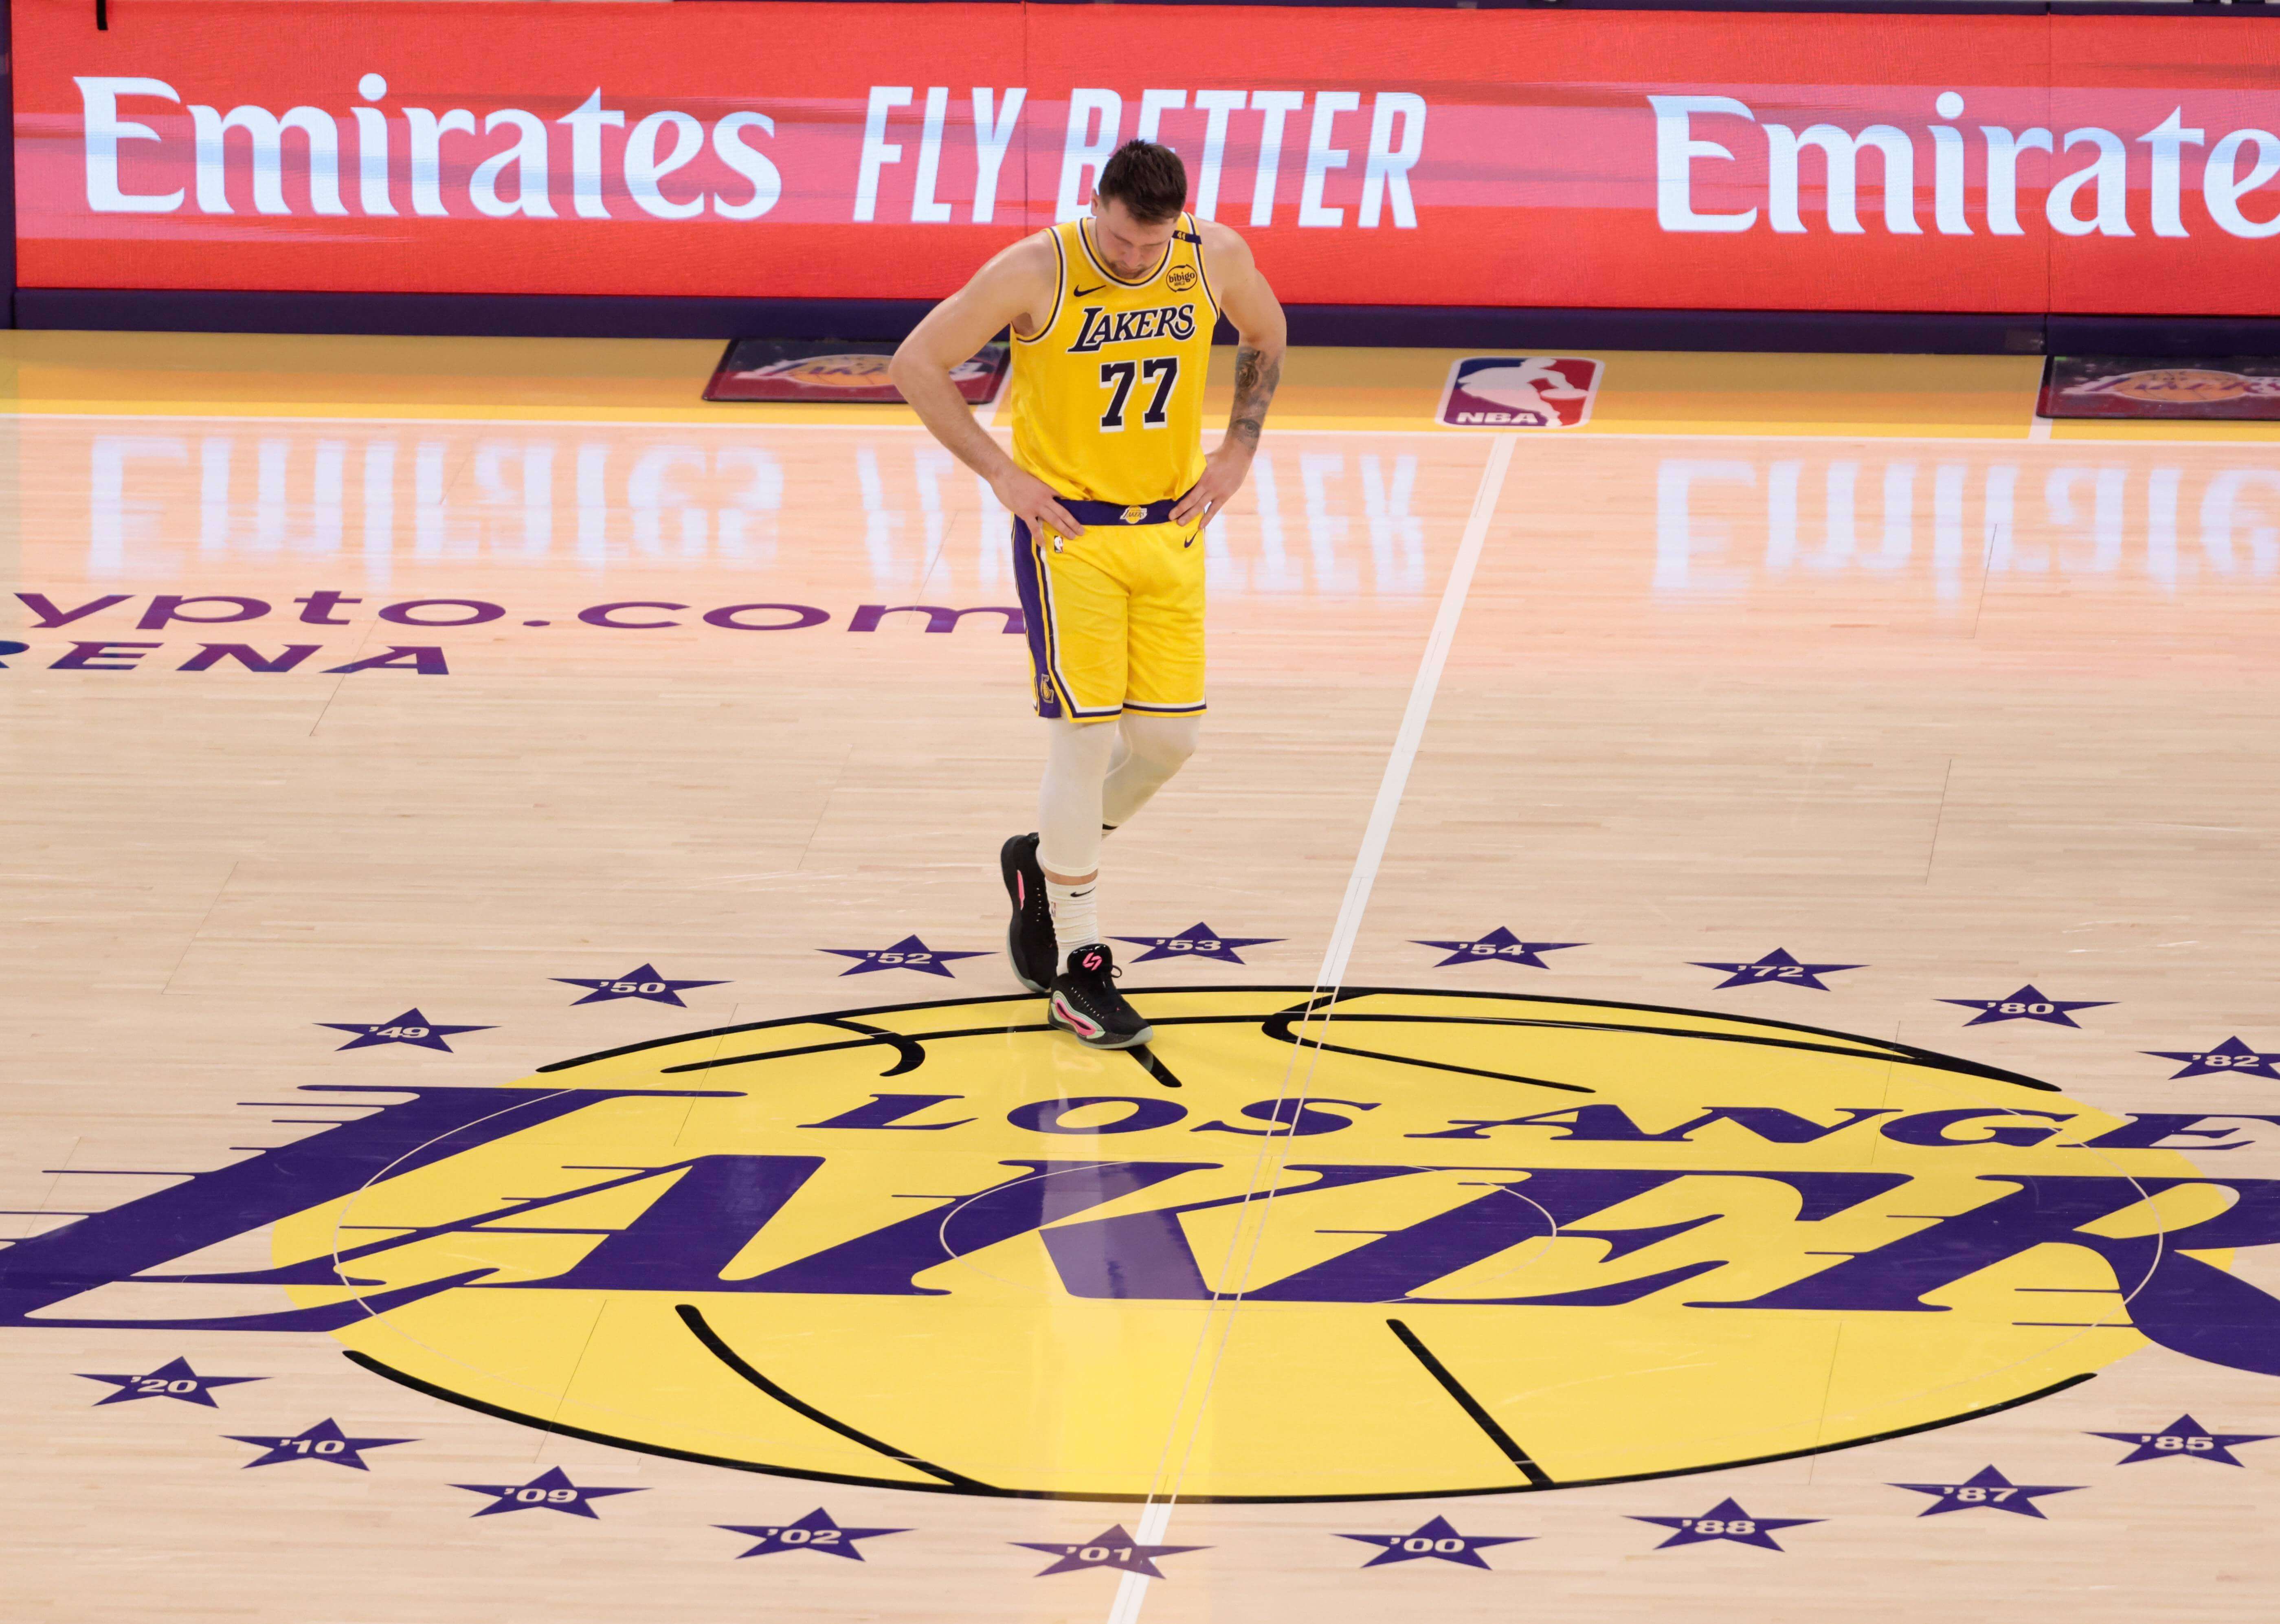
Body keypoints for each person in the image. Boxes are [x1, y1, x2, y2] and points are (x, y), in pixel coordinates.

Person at [891, 139, 1286, 1049]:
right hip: (1069, 536)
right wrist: (1001, 473)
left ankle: (1045, 862)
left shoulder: (1213, 255)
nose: (1134, 259)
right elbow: (916, 362)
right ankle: (1080, 963)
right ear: (1095, 206)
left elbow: (1267, 332)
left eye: (1150, 246)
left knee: (1169, 742)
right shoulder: (1038, 268)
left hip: (1170, 530)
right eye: (1119, 240)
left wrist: (1237, 450)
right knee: (1084, 739)